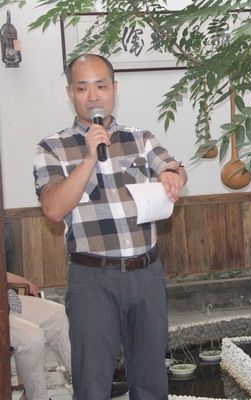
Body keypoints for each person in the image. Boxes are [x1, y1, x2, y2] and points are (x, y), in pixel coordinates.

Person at [33, 53, 187, 399]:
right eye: (82, 88)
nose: (93, 96)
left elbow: (175, 167)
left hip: (146, 275)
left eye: (101, 86)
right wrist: (89, 158)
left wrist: (173, 174)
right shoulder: (52, 147)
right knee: (93, 382)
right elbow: (53, 209)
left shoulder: (140, 138)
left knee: (151, 380)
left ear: (114, 88)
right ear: (70, 93)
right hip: (93, 279)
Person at [8, 272, 70, 400]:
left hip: (6, 301)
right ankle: (37, 397)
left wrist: (25, 281)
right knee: (31, 338)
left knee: (59, 315)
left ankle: (86, 387)